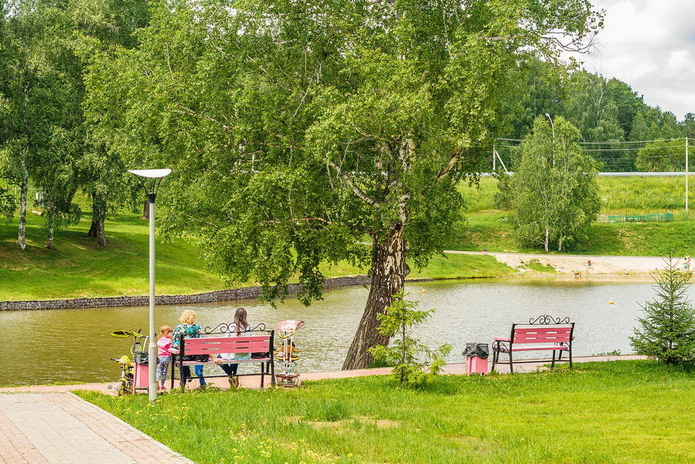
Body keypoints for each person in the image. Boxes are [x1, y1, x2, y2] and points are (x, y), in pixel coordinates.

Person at [214, 307, 251, 389]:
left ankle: (231, 375)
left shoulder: (232, 326)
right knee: (235, 356)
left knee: (219, 357)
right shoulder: (248, 326)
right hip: (245, 353)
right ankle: (234, 375)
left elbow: (226, 339)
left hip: (234, 352)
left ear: (235, 316)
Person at [171, 309, 207, 389]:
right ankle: (202, 382)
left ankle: (183, 382)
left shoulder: (177, 328)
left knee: (180, 357)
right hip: (195, 356)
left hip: (183, 356)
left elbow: (175, 343)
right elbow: (201, 341)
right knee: (198, 353)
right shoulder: (196, 327)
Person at [156, 325, 173, 390]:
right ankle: (162, 385)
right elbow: (171, 348)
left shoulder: (159, 340)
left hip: (160, 357)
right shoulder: (169, 341)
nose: (171, 334)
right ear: (166, 333)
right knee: (165, 371)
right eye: (170, 332)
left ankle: (157, 379)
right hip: (167, 357)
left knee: (159, 370)